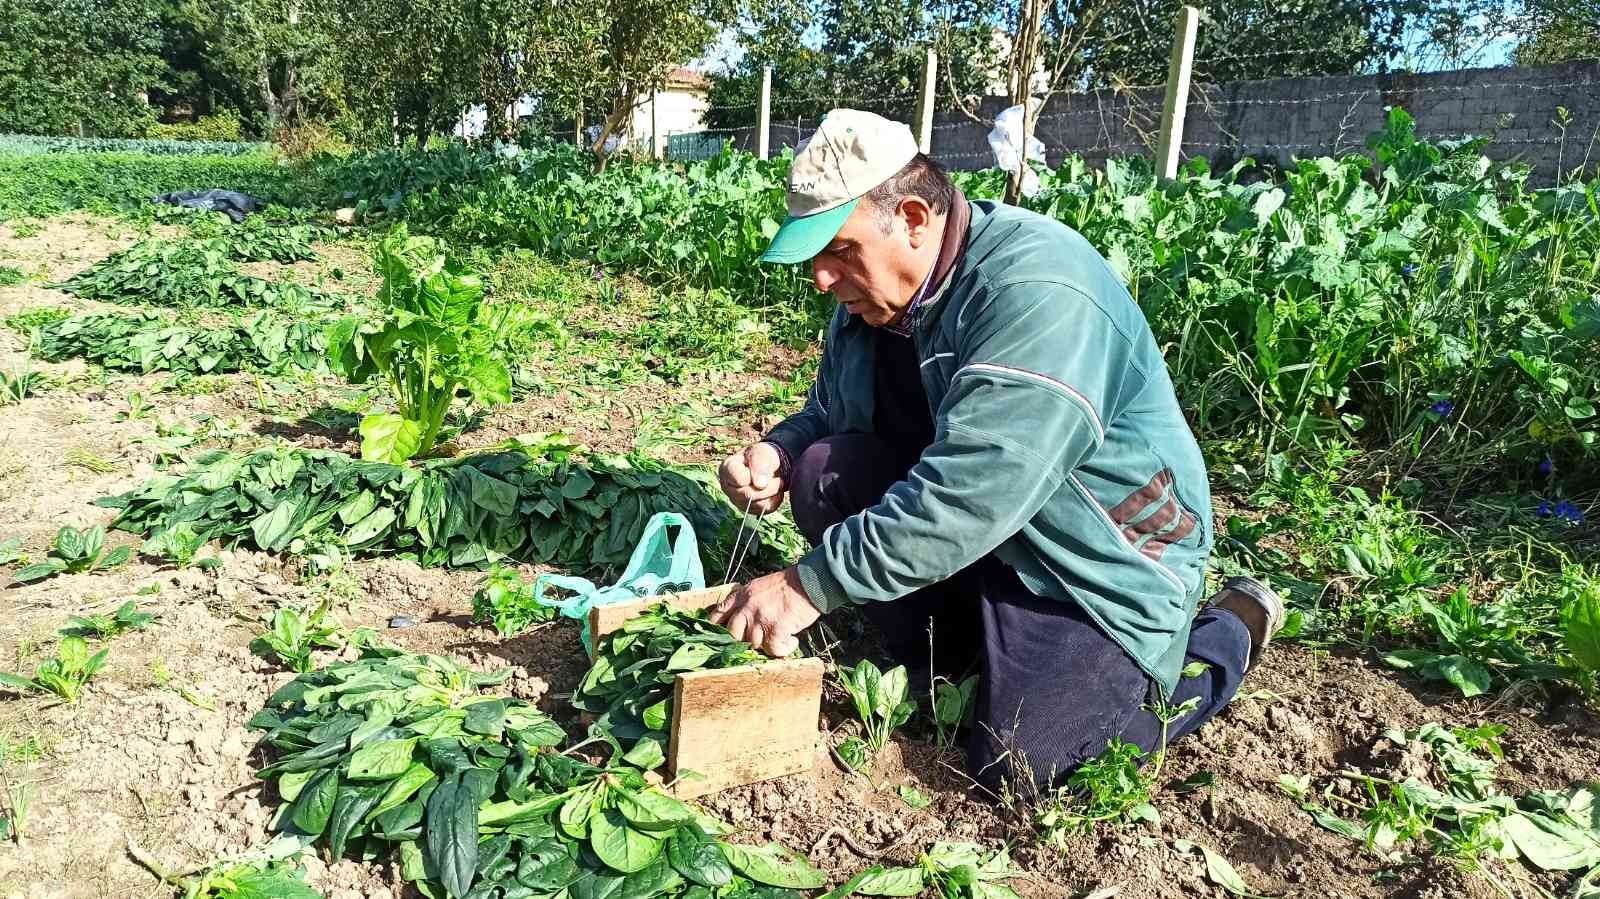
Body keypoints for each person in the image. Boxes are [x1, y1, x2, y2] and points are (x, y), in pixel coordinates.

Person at [709, 109, 1285, 795]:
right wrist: (780, 449)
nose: (822, 280)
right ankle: (959, 654)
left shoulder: (1038, 291)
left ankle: (1229, 633)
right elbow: (831, 411)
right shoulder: (876, 301)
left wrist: (810, 584)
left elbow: (972, 491)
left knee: (1029, 763)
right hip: (989, 534)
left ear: (915, 219)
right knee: (822, 472)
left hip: (1094, 559)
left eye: (838, 250)